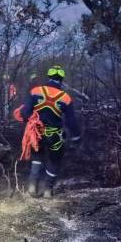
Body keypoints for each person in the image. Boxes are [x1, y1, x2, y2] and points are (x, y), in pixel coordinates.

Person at [20, 65, 81, 198]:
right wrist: (76, 137)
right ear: (61, 79)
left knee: (37, 156)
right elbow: (71, 121)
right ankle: (48, 190)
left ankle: (32, 186)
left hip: (36, 133)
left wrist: (29, 120)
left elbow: (25, 113)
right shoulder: (66, 97)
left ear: (49, 77)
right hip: (55, 135)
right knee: (55, 160)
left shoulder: (35, 91)